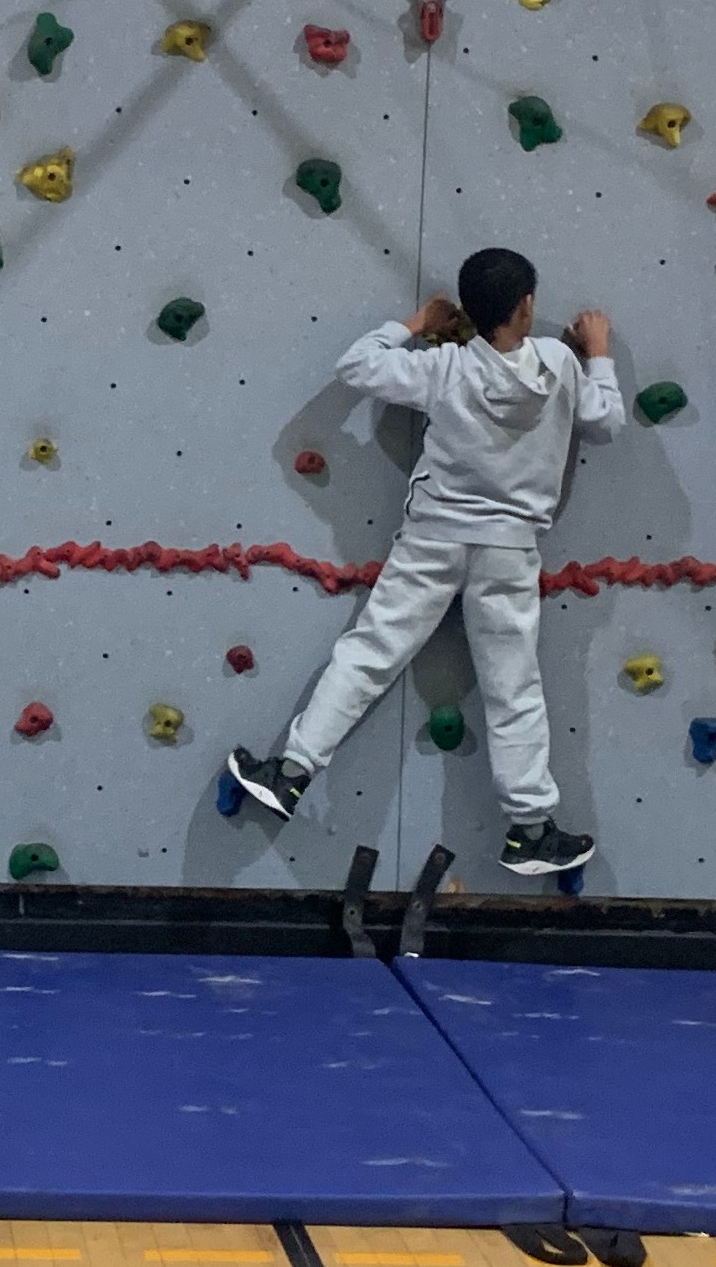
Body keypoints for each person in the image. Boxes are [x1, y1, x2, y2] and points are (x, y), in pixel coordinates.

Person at [226, 250, 621, 876]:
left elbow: (357, 365)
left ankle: (291, 772)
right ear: (527, 306)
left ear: (466, 311)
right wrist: (597, 351)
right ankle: (531, 829)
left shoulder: (445, 367)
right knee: (513, 687)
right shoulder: (559, 365)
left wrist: (413, 323)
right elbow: (605, 421)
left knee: (369, 653)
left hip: (432, 539)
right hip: (509, 550)